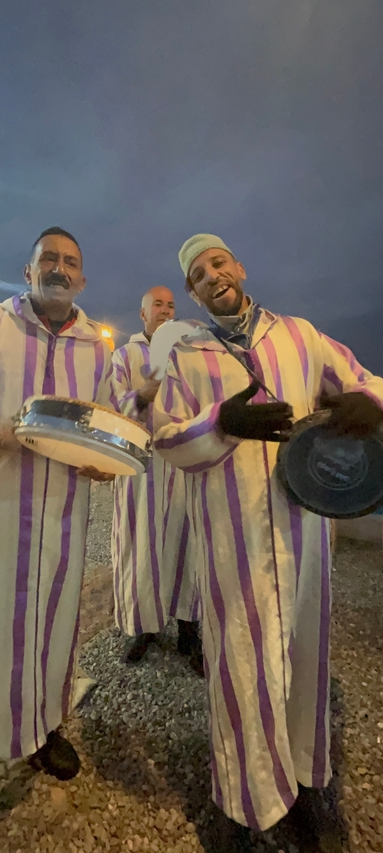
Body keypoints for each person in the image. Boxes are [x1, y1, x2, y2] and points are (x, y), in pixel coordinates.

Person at [153, 234, 383, 852]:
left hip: (305, 532)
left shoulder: (300, 335)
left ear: (240, 267)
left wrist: (366, 404)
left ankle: (305, 788)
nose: (213, 276)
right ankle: (245, 800)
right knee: (240, 670)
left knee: (304, 661)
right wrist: (220, 423)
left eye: (219, 263)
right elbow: (168, 441)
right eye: (200, 274)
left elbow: (365, 381)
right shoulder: (187, 357)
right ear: (195, 293)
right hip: (231, 542)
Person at [0, 227, 114, 853]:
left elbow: (110, 422)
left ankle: (40, 734)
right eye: (49, 260)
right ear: (28, 270)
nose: (60, 269)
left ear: (82, 279)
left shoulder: (97, 349)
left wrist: (107, 460)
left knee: (53, 630)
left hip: (63, 518)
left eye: (71, 262)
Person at [111, 287, 202, 674]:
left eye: (171, 305)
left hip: (182, 467)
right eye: (157, 306)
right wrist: (143, 395)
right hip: (141, 469)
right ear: (142, 314)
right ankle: (144, 628)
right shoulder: (125, 356)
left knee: (188, 545)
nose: (165, 311)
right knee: (141, 546)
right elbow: (113, 405)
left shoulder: (189, 356)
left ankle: (188, 628)